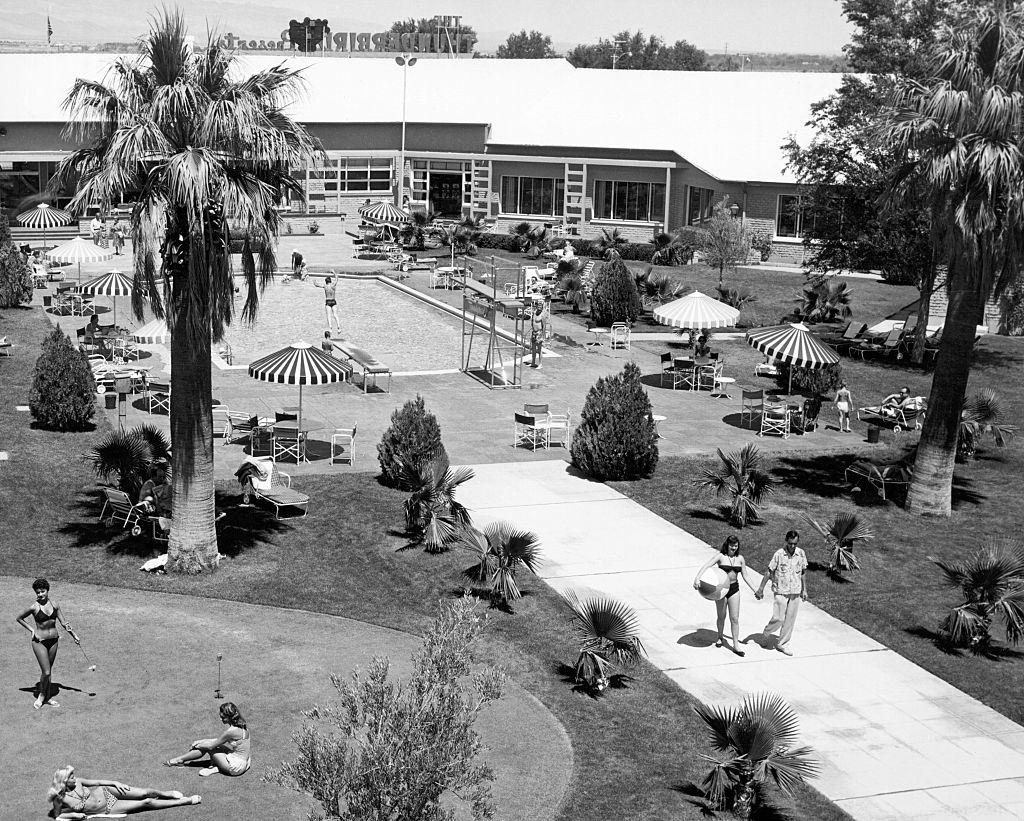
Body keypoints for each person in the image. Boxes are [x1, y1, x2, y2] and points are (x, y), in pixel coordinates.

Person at [15, 578, 79, 709]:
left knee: (49, 670)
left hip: (54, 641)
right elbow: (19, 618)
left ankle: (47, 696)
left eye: (42, 591)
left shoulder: (55, 605)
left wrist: (74, 635)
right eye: (37, 592)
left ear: (47, 591)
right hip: (40, 642)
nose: (40, 594)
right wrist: (32, 630)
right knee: (46, 672)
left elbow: (64, 622)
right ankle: (41, 696)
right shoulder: (34, 607)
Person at [693, 535, 759, 656]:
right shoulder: (721, 556)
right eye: (732, 545)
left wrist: (755, 589)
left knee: (734, 618)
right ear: (727, 545)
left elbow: (745, 575)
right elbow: (707, 566)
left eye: (736, 545)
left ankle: (736, 645)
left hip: (734, 589)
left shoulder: (740, 559)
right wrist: (697, 578)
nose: (734, 547)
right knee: (721, 616)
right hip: (721, 590)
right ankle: (720, 637)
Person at [48, 765, 199, 817]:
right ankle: (185, 801)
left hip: (106, 791)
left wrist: (115, 782)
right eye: (71, 776)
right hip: (108, 808)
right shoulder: (59, 798)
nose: (75, 777)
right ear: (64, 781)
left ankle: (166, 793)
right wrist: (74, 814)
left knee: (143, 793)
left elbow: (99, 782)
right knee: (146, 802)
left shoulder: (79, 781)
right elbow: (58, 816)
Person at [755, 530, 808, 656]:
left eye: (795, 543)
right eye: (790, 543)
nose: (792, 546)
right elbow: (769, 571)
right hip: (780, 591)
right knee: (778, 618)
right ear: (786, 541)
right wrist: (761, 588)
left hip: (795, 591)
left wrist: (804, 590)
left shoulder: (801, 553)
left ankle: (782, 643)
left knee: (790, 620)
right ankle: (766, 633)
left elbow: (803, 572)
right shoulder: (779, 554)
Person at [163, 702, 251, 778]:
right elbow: (219, 740)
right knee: (209, 744)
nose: (221, 719)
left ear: (229, 717)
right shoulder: (242, 726)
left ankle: (179, 760)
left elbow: (210, 746)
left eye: (223, 717)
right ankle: (214, 766)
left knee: (208, 748)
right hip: (245, 762)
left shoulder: (231, 732)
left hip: (235, 767)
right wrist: (201, 741)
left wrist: (198, 745)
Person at [138, 461, 172, 534]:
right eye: (160, 477)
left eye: (163, 477)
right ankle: (166, 529)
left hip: (155, 505)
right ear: (153, 476)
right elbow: (147, 499)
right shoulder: (149, 484)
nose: (162, 479)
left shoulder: (160, 482)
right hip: (146, 508)